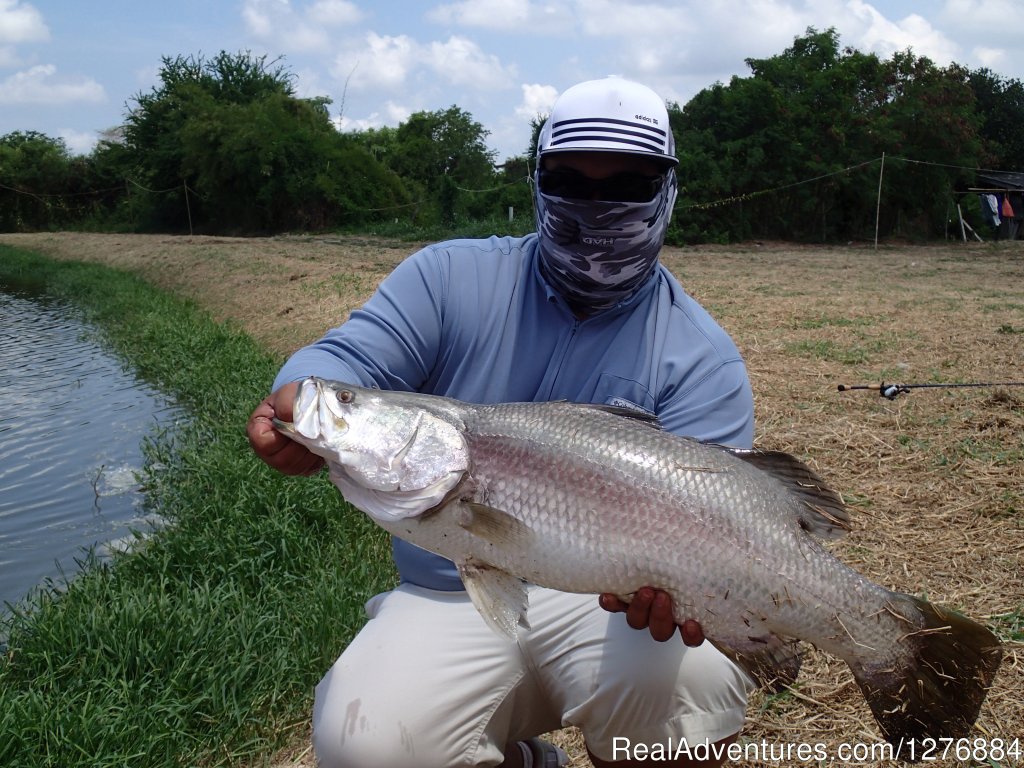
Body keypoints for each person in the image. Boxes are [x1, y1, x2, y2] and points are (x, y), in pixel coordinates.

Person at [247, 77, 755, 768]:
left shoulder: (702, 357)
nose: (594, 205)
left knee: (686, 681)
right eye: (568, 179)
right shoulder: (448, 278)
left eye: (628, 183)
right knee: (362, 744)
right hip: (449, 589)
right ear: (538, 180)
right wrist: (297, 398)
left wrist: (691, 592)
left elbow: (729, 515)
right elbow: (343, 358)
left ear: (668, 187)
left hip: (609, 607)